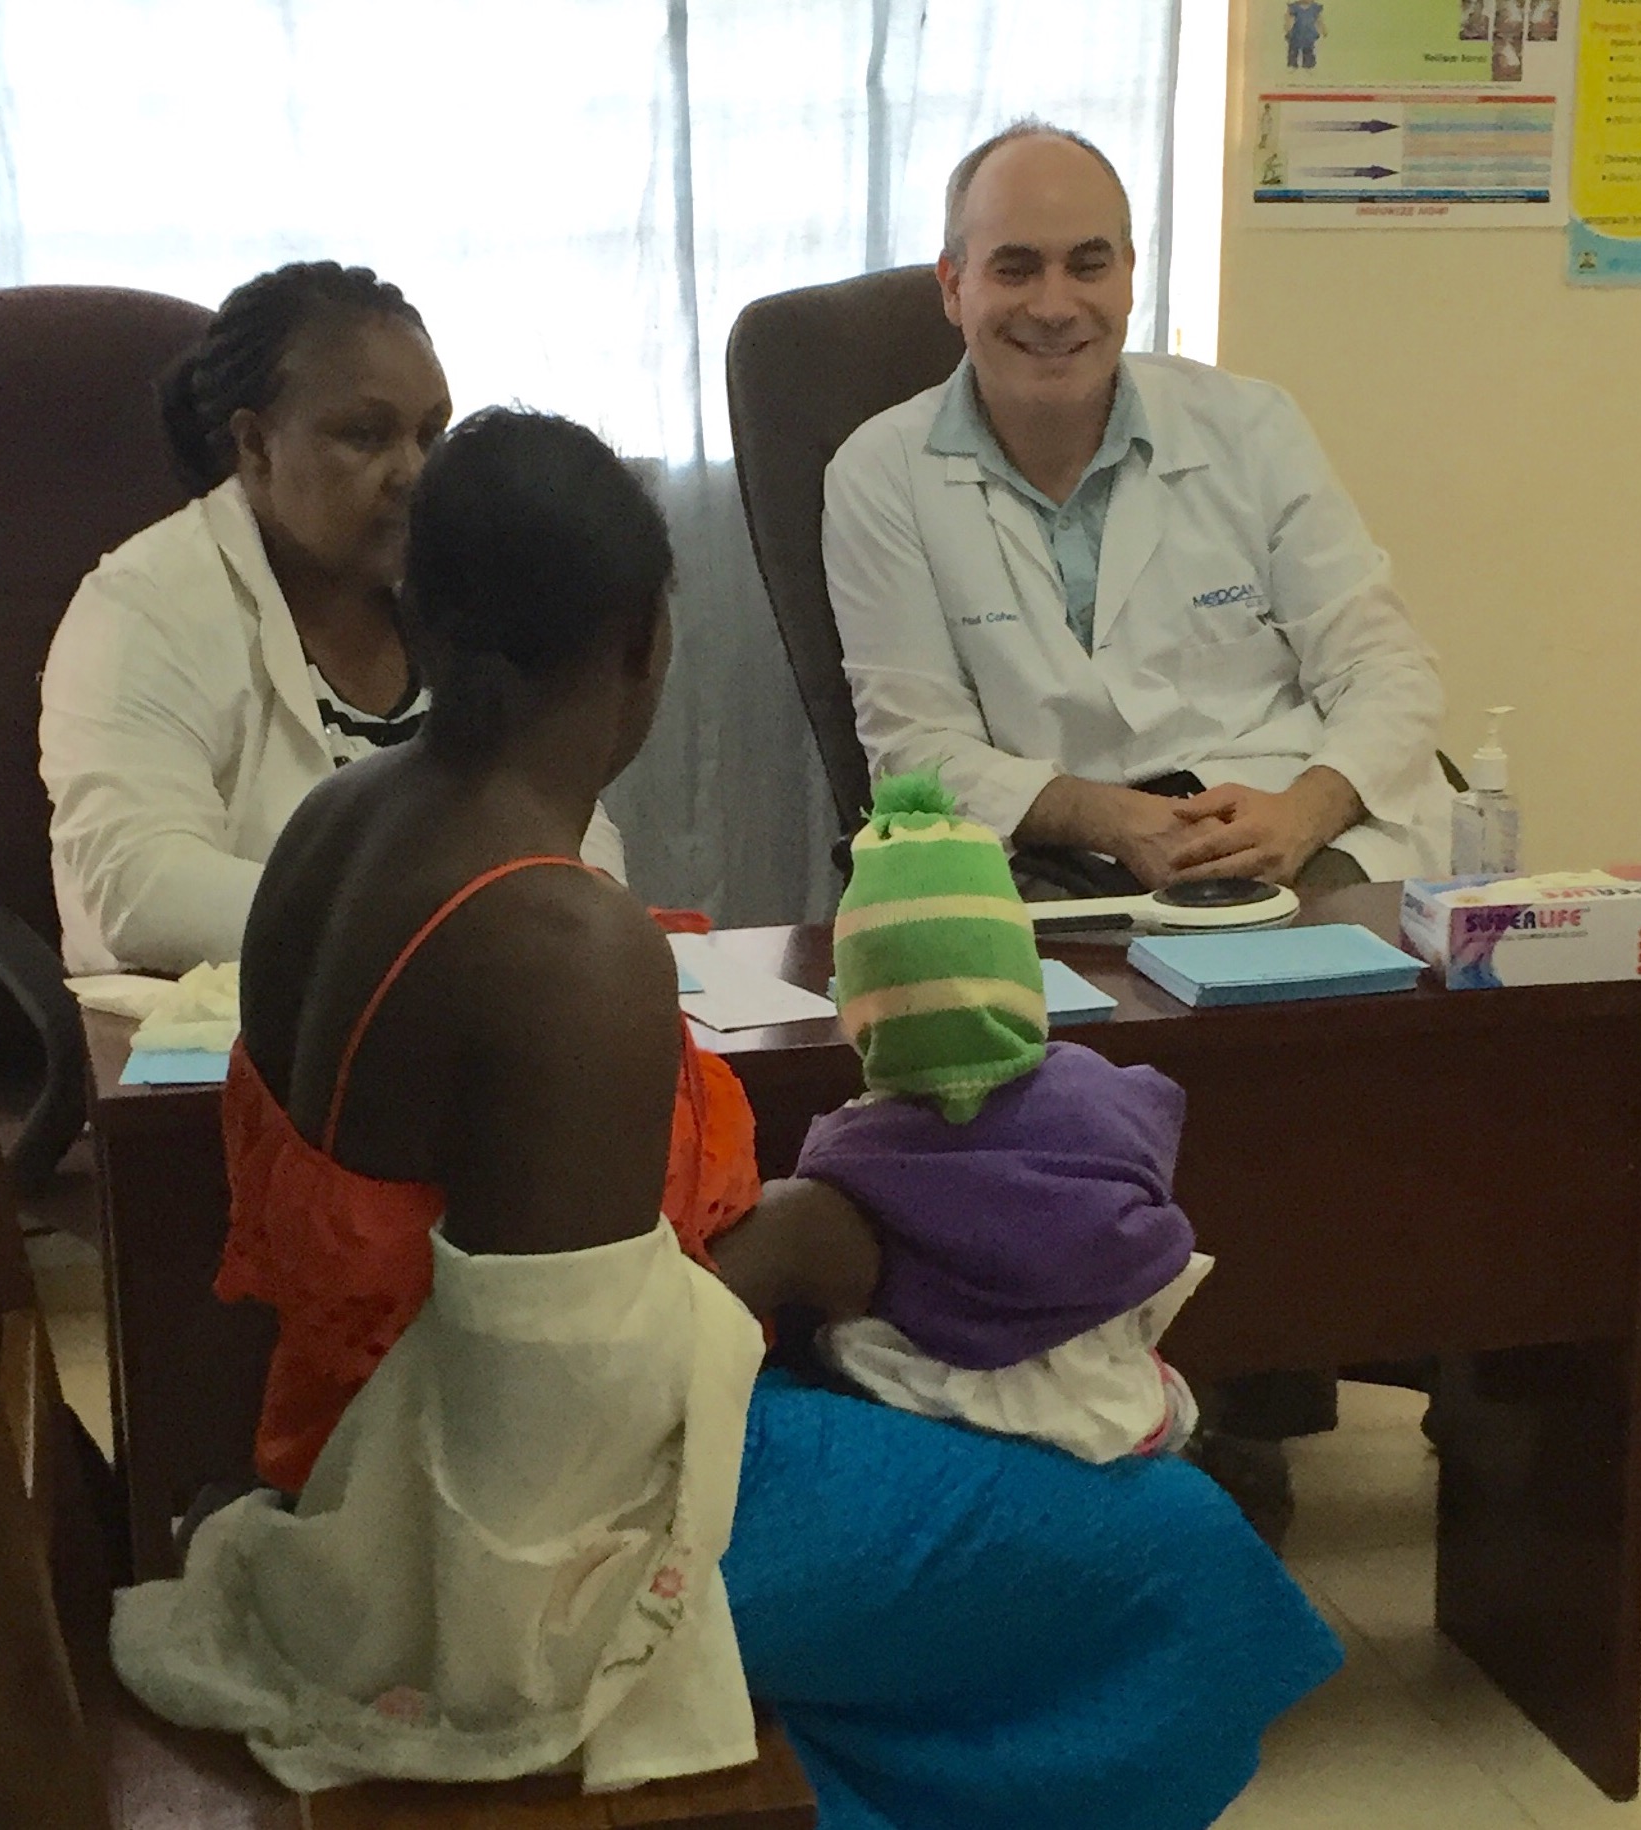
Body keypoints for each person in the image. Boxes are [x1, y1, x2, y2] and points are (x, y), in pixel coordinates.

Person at [111, 407, 1340, 1824]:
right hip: (495, 1565)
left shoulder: (341, 823)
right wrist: (796, 1251)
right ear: (645, 644)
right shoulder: (559, 943)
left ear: (419, 612)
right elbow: (568, 1440)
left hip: (346, 1434)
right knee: (1173, 1542)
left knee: (950, 1449)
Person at [822, 121, 1451, 902]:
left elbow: (1386, 671)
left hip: (1290, 829)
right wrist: (1118, 822)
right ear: (953, 285)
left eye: (1088, 265)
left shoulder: (1251, 427)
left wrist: (1303, 811)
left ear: (1127, 274)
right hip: (1056, 858)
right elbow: (918, 749)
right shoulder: (880, 473)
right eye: (1015, 269)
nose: (1055, 306)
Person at [39, 260, 626, 975]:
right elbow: (144, 894)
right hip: (205, 1055)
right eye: (366, 435)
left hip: (456, 1029)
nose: (413, 471)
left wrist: (544, 925)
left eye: (430, 434)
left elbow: (571, 827)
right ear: (255, 446)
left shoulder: (460, 589)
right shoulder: (143, 605)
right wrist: (446, 930)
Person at [801, 769, 1209, 1467]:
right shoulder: (1101, 1090)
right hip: (1104, 1384)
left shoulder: (850, 1147)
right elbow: (1159, 1108)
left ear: (860, 1019)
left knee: (835, 1346)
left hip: (948, 1389)